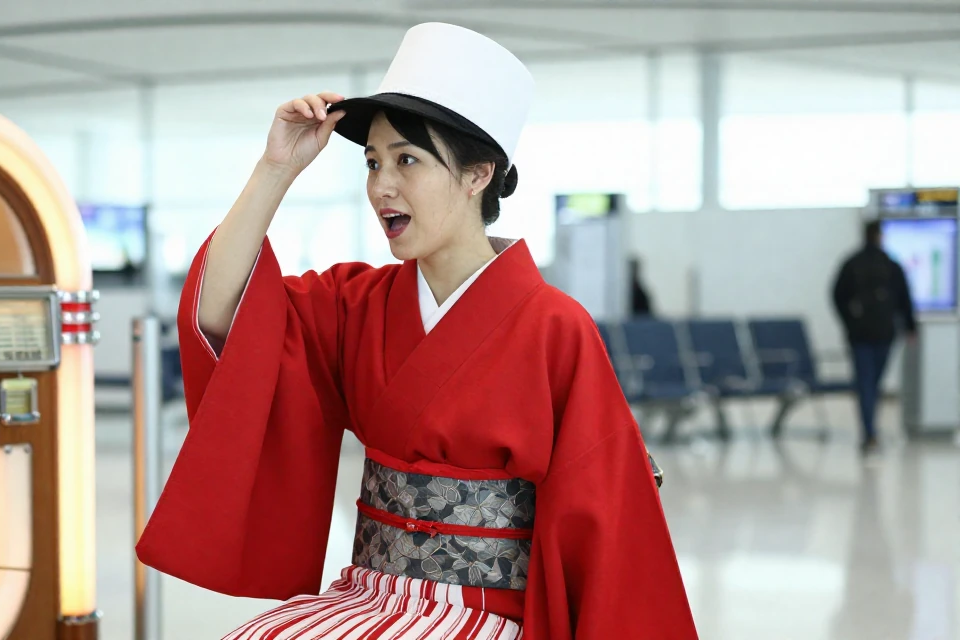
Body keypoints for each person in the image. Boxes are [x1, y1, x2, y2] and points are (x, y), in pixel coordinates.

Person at [137, 23, 697, 639]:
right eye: (373, 162)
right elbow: (223, 319)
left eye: (407, 160)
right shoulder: (358, 301)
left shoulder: (554, 327)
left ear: (479, 174)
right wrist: (275, 170)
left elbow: (606, 516)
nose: (382, 185)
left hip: (492, 613)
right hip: (368, 593)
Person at [831, 220, 917, 454]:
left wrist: (849, 321)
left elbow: (837, 296)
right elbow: (904, 299)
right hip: (883, 333)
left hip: (859, 334)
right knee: (873, 383)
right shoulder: (890, 265)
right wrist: (910, 327)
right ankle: (870, 431)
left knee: (865, 383)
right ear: (879, 236)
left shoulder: (852, 264)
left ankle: (869, 432)